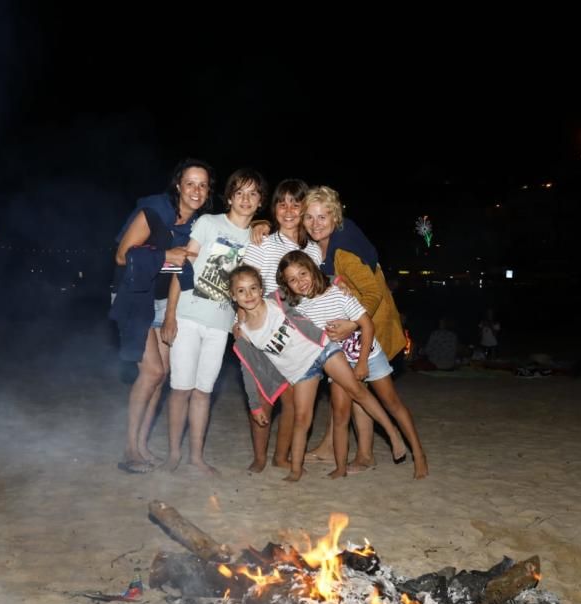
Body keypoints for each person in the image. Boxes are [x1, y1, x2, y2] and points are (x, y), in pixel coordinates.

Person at [229, 265, 408, 482]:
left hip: (322, 349)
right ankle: (295, 470)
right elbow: (248, 370)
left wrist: (338, 279)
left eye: (253, 288)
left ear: (261, 289)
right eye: (241, 291)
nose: (248, 295)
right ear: (233, 295)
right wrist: (255, 405)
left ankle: (392, 433)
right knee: (302, 419)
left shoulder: (276, 299)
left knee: (357, 391)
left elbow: (310, 282)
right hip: (301, 371)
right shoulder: (242, 332)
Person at [278, 251, 427, 479]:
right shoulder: (300, 307)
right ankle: (340, 466)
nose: (300, 282)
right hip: (338, 361)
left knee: (392, 403)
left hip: (367, 354)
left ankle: (418, 454)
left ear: (312, 270)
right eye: (292, 279)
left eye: (303, 274)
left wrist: (363, 363)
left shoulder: (337, 293)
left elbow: (367, 326)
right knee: (339, 414)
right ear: (287, 284)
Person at [109, 158, 214, 473]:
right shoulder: (154, 212)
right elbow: (121, 255)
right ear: (179, 186)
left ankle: (142, 445)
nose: (196, 190)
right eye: (190, 183)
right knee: (152, 372)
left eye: (203, 185)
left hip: (163, 301)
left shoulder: (197, 225)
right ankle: (129, 448)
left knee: (162, 374)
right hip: (135, 297)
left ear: (208, 191)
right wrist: (164, 254)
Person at [161, 168, 266, 475]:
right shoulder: (208, 223)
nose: (245, 199)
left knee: (203, 391)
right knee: (180, 388)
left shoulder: (258, 240)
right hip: (188, 316)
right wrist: (170, 315)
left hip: (220, 324)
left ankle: (196, 456)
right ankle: (173, 455)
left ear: (260, 201)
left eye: (253, 194)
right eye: (240, 192)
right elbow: (183, 267)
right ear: (229, 196)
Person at [302, 186, 406, 469]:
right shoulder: (320, 246)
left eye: (322, 217)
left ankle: (365, 455)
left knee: (355, 388)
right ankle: (331, 447)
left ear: (335, 217)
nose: (315, 223)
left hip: (368, 324)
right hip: (352, 325)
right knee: (346, 388)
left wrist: (352, 324)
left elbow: (372, 293)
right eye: (309, 217)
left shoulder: (345, 246)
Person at [240, 179, 322, 472]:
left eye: (295, 203)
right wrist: (242, 321)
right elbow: (244, 279)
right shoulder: (262, 240)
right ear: (274, 208)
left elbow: (317, 289)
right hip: (261, 330)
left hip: (296, 335)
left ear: (304, 208)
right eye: (281, 202)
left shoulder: (313, 250)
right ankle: (260, 457)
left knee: (290, 398)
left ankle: (280, 456)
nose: (288, 210)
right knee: (263, 396)